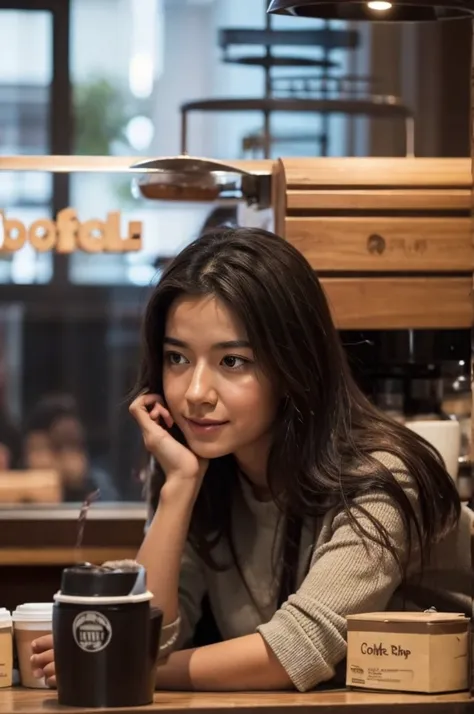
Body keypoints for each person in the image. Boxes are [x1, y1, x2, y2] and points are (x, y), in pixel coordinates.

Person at [31, 227, 472, 692]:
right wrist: (179, 486)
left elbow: (296, 650)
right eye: (177, 358)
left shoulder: (381, 478)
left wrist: (121, 663)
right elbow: (155, 637)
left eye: (232, 362)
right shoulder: (201, 467)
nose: (195, 393)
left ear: (293, 366)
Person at [23, 394, 118, 502]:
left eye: (74, 446)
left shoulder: (99, 483)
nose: (69, 460)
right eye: (56, 448)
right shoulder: (15, 486)